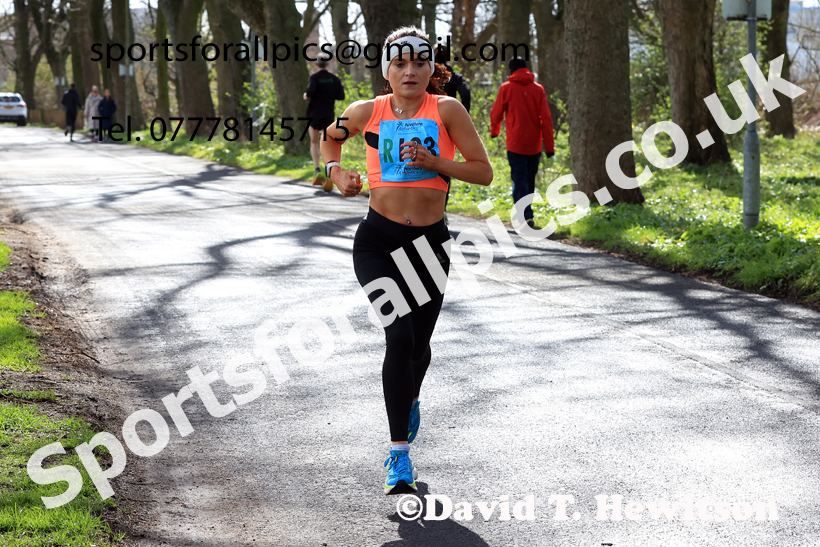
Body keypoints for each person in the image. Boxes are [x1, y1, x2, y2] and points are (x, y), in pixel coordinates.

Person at [321, 26, 492, 495]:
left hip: (430, 247)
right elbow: (329, 139)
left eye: (419, 62)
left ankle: (410, 395)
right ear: (387, 69)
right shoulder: (366, 111)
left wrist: (438, 164)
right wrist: (336, 172)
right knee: (398, 338)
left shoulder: (448, 110)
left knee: (418, 347)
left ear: (432, 67)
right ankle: (399, 456)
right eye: (400, 63)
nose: (410, 70)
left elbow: (484, 172)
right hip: (377, 243)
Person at [490, 58, 555, 229]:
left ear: (511, 71)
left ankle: (524, 215)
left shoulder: (506, 88)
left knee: (519, 179)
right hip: (534, 144)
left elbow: (496, 113)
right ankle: (526, 214)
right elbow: (546, 119)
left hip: (515, 143)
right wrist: (549, 146)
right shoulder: (538, 89)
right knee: (529, 179)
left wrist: (494, 132)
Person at [303, 58, 345, 191]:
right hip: (328, 115)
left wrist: (305, 96)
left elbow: (309, 93)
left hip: (314, 114)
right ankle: (329, 173)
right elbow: (341, 96)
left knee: (314, 142)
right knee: (327, 143)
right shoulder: (334, 79)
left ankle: (317, 170)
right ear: (327, 64)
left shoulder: (314, 78)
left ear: (316, 64)